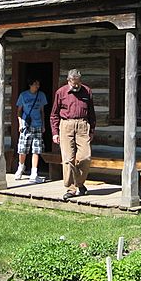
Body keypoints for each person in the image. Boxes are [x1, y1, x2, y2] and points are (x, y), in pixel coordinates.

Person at [50, 69, 95, 201]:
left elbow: (91, 113)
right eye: (73, 83)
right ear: (68, 81)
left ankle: (79, 183)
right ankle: (71, 188)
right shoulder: (61, 92)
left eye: (78, 83)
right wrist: (55, 133)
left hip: (82, 124)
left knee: (85, 157)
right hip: (66, 125)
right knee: (68, 159)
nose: (76, 86)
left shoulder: (87, 91)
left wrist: (91, 130)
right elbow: (54, 114)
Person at [14, 78, 48, 183]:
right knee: (23, 149)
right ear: (30, 85)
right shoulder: (23, 95)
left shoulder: (41, 95)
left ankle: (34, 173)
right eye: (35, 84)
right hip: (26, 125)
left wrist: (43, 125)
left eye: (38, 84)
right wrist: (20, 123)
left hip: (37, 124)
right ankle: (21, 167)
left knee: (36, 149)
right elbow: (19, 111)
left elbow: (42, 111)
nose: (37, 86)